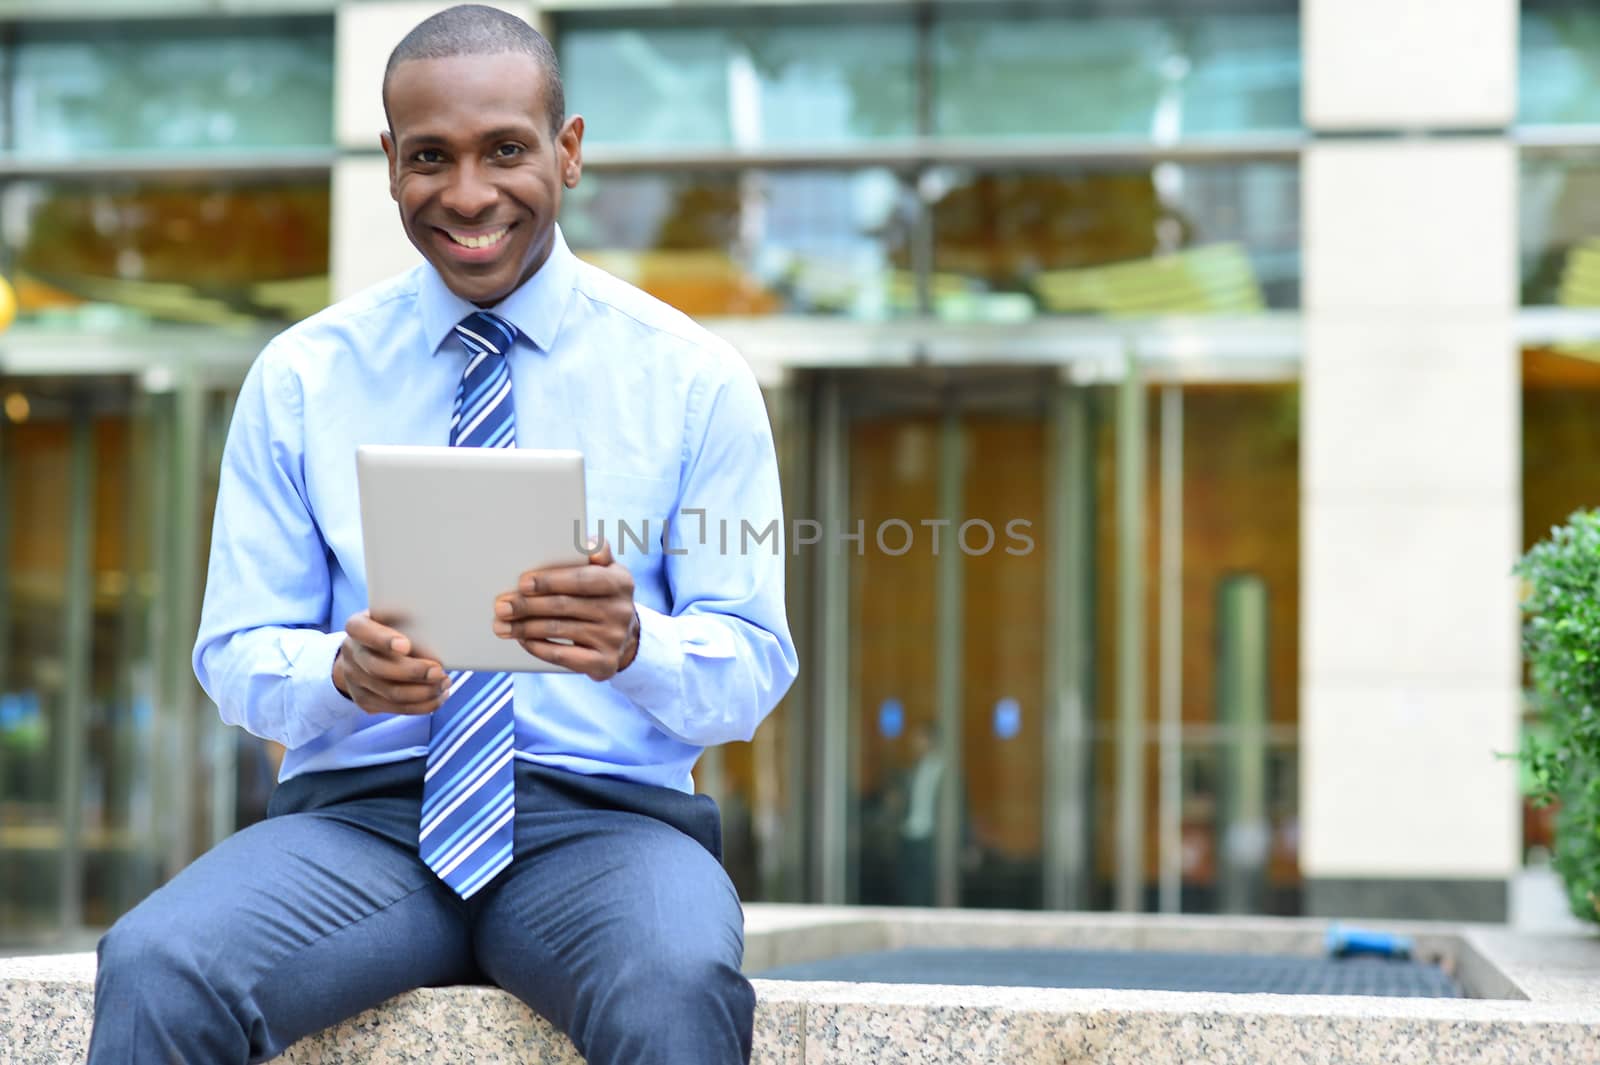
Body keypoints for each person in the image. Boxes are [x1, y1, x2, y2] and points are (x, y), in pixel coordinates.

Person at [85, 6, 796, 1064]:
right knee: (158, 965)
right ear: (387, 164)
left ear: (568, 149)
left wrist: (637, 646)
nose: (467, 195)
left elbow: (752, 667)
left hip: (605, 829)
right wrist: (340, 673)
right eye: (431, 158)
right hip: (357, 826)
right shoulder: (302, 380)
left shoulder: (691, 383)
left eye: (506, 149)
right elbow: (234, 653)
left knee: (675, 984)